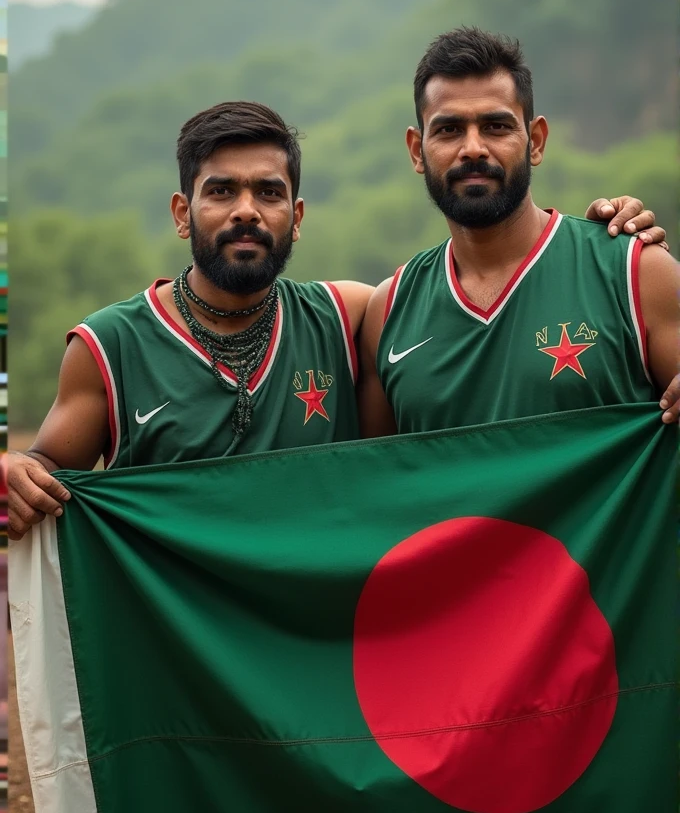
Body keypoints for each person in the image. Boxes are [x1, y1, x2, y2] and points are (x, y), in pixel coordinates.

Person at [6, 94, 668, 540]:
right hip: (179, 675)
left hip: (324, 675)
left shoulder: (356, 315)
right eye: (221, 192)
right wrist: (12, 473)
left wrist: (609, 237)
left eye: (269, 192)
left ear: (296, 217)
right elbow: (39, 477)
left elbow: (483, 306)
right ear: (184, 213)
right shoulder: (109, 348)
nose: (245, 210)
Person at [358, 27, 679, 435]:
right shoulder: (388, 311)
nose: (473, 147)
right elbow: (378, 482)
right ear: (417, 150)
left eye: (496, 126)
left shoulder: (637, 271)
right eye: (449, 129)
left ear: (536, 141)